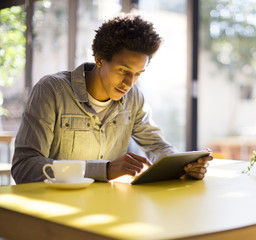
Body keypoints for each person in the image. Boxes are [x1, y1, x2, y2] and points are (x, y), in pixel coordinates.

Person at [11, 13, 213, 184]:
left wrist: (183, 166)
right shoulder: (52, 91)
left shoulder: (133, 97)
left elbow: (156, 146)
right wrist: (103, 170)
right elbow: (24, 167)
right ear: (99, 59)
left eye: (137, 73)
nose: (129, 82)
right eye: (123, 70)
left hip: (107, 207)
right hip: (53, 211)